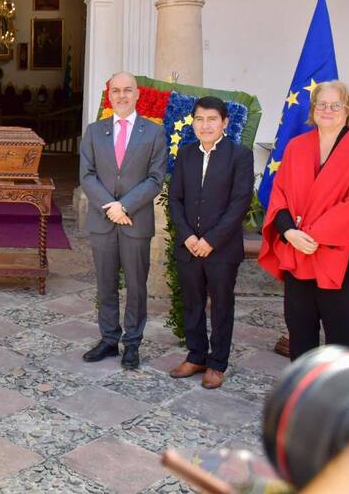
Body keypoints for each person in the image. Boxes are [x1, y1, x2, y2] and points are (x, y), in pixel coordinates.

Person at [259, 80, 349, 360]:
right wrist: (289, 233)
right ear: (313, 109)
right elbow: (279, 197)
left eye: (336, 105)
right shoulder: (297, 146)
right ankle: (302, 395)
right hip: (300, 256)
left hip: (345, 260)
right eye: (321, 104)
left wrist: (308, 235)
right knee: (300, 334)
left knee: (340, 340)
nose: (328, 110)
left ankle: (334, 401)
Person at [79, 71, 166, 369]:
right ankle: (108, 339)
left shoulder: (153, 133)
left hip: (135, 221)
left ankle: (132, 343)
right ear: (109, 94)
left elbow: (155, 179)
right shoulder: (94, 131)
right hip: (103, 221)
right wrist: (110, 206)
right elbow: (87, 175)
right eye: (116, 90)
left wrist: (124, 206)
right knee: (105, 284)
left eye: (128, 90)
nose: (122, 96)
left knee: (136, 285)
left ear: (138, 94)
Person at [168, 96, 254, 388]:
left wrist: (211, 240)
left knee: (220, 305)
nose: (205, 125)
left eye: (212, 119)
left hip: (222, 249)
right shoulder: (185, 153)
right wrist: (189, 236)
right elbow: (175, 200)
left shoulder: (239, 155)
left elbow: (240, 203)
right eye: (200, 119)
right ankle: (196, 356)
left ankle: (217, 363)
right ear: (193, 122)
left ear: (224, 123)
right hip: (189, 246)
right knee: (191, 303)